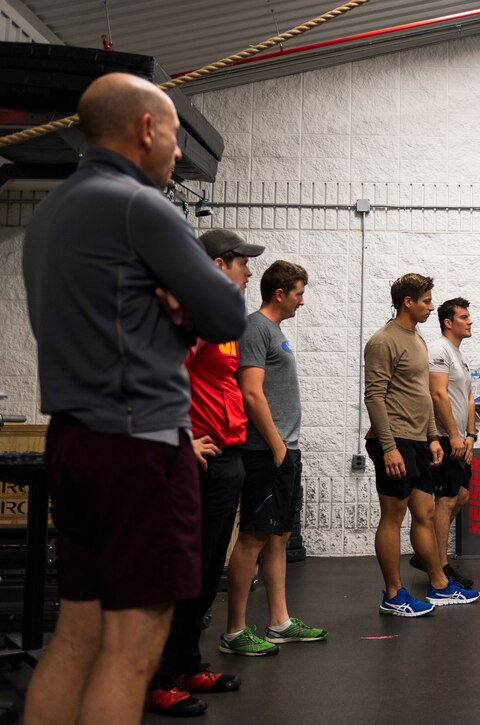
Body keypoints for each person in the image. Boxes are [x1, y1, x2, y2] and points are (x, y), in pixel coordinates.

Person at [21, 73, 247, 725]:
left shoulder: (50, 213)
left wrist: (178, 303)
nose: (178, 153)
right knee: (130, 650)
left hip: (74, 441)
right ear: (146, 128)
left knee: (77, 636)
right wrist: (185, 307)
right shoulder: (138, 206)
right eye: (175, 136)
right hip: (139, 446)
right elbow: (228, 314)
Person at [146, 230, 265, 716]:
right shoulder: (189, 316)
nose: (249, 272)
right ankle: (158, 678)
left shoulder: (223, 320)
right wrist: (178, 437)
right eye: (242, 263)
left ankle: (189, 663)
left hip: (227, 459)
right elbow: (155, 374)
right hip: (197, 459)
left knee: (206, 571)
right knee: (182, 571)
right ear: (217, 265)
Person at [220, 260, 328, 656]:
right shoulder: (254, 328)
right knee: (252, 536)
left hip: (284, 449)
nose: (303, 300)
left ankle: (279, 622)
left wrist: (287, 448)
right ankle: (234, 631)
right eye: (299, 293)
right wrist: (278, 446)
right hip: (264, 450)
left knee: (279, 535)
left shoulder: (275, 332)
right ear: (279, 293)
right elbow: (251, 393)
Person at [365, 274, 480, 617]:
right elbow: (374, 396)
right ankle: (393, 594)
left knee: (425, 514)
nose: (432, 306)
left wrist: (432, 437)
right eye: (427, 301)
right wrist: (388, 447)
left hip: (417, 441)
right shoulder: (383, 341)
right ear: (408, 302)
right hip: (394, 440)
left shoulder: (416, 339)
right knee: (393, 516)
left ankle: (439, 585)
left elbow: (422, 397)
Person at [407, 297, 477, 588]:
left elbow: (470, 398)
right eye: (463, 317)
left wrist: (470, 434)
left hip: (460, 438)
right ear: (448, 323)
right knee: (445, 501)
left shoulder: (459, 355)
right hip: (445, 438)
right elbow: (437, 395)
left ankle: (427, 555)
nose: (470, 320)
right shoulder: (438, 349)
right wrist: (453, 435)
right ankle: (439, 564)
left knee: (461, 497)